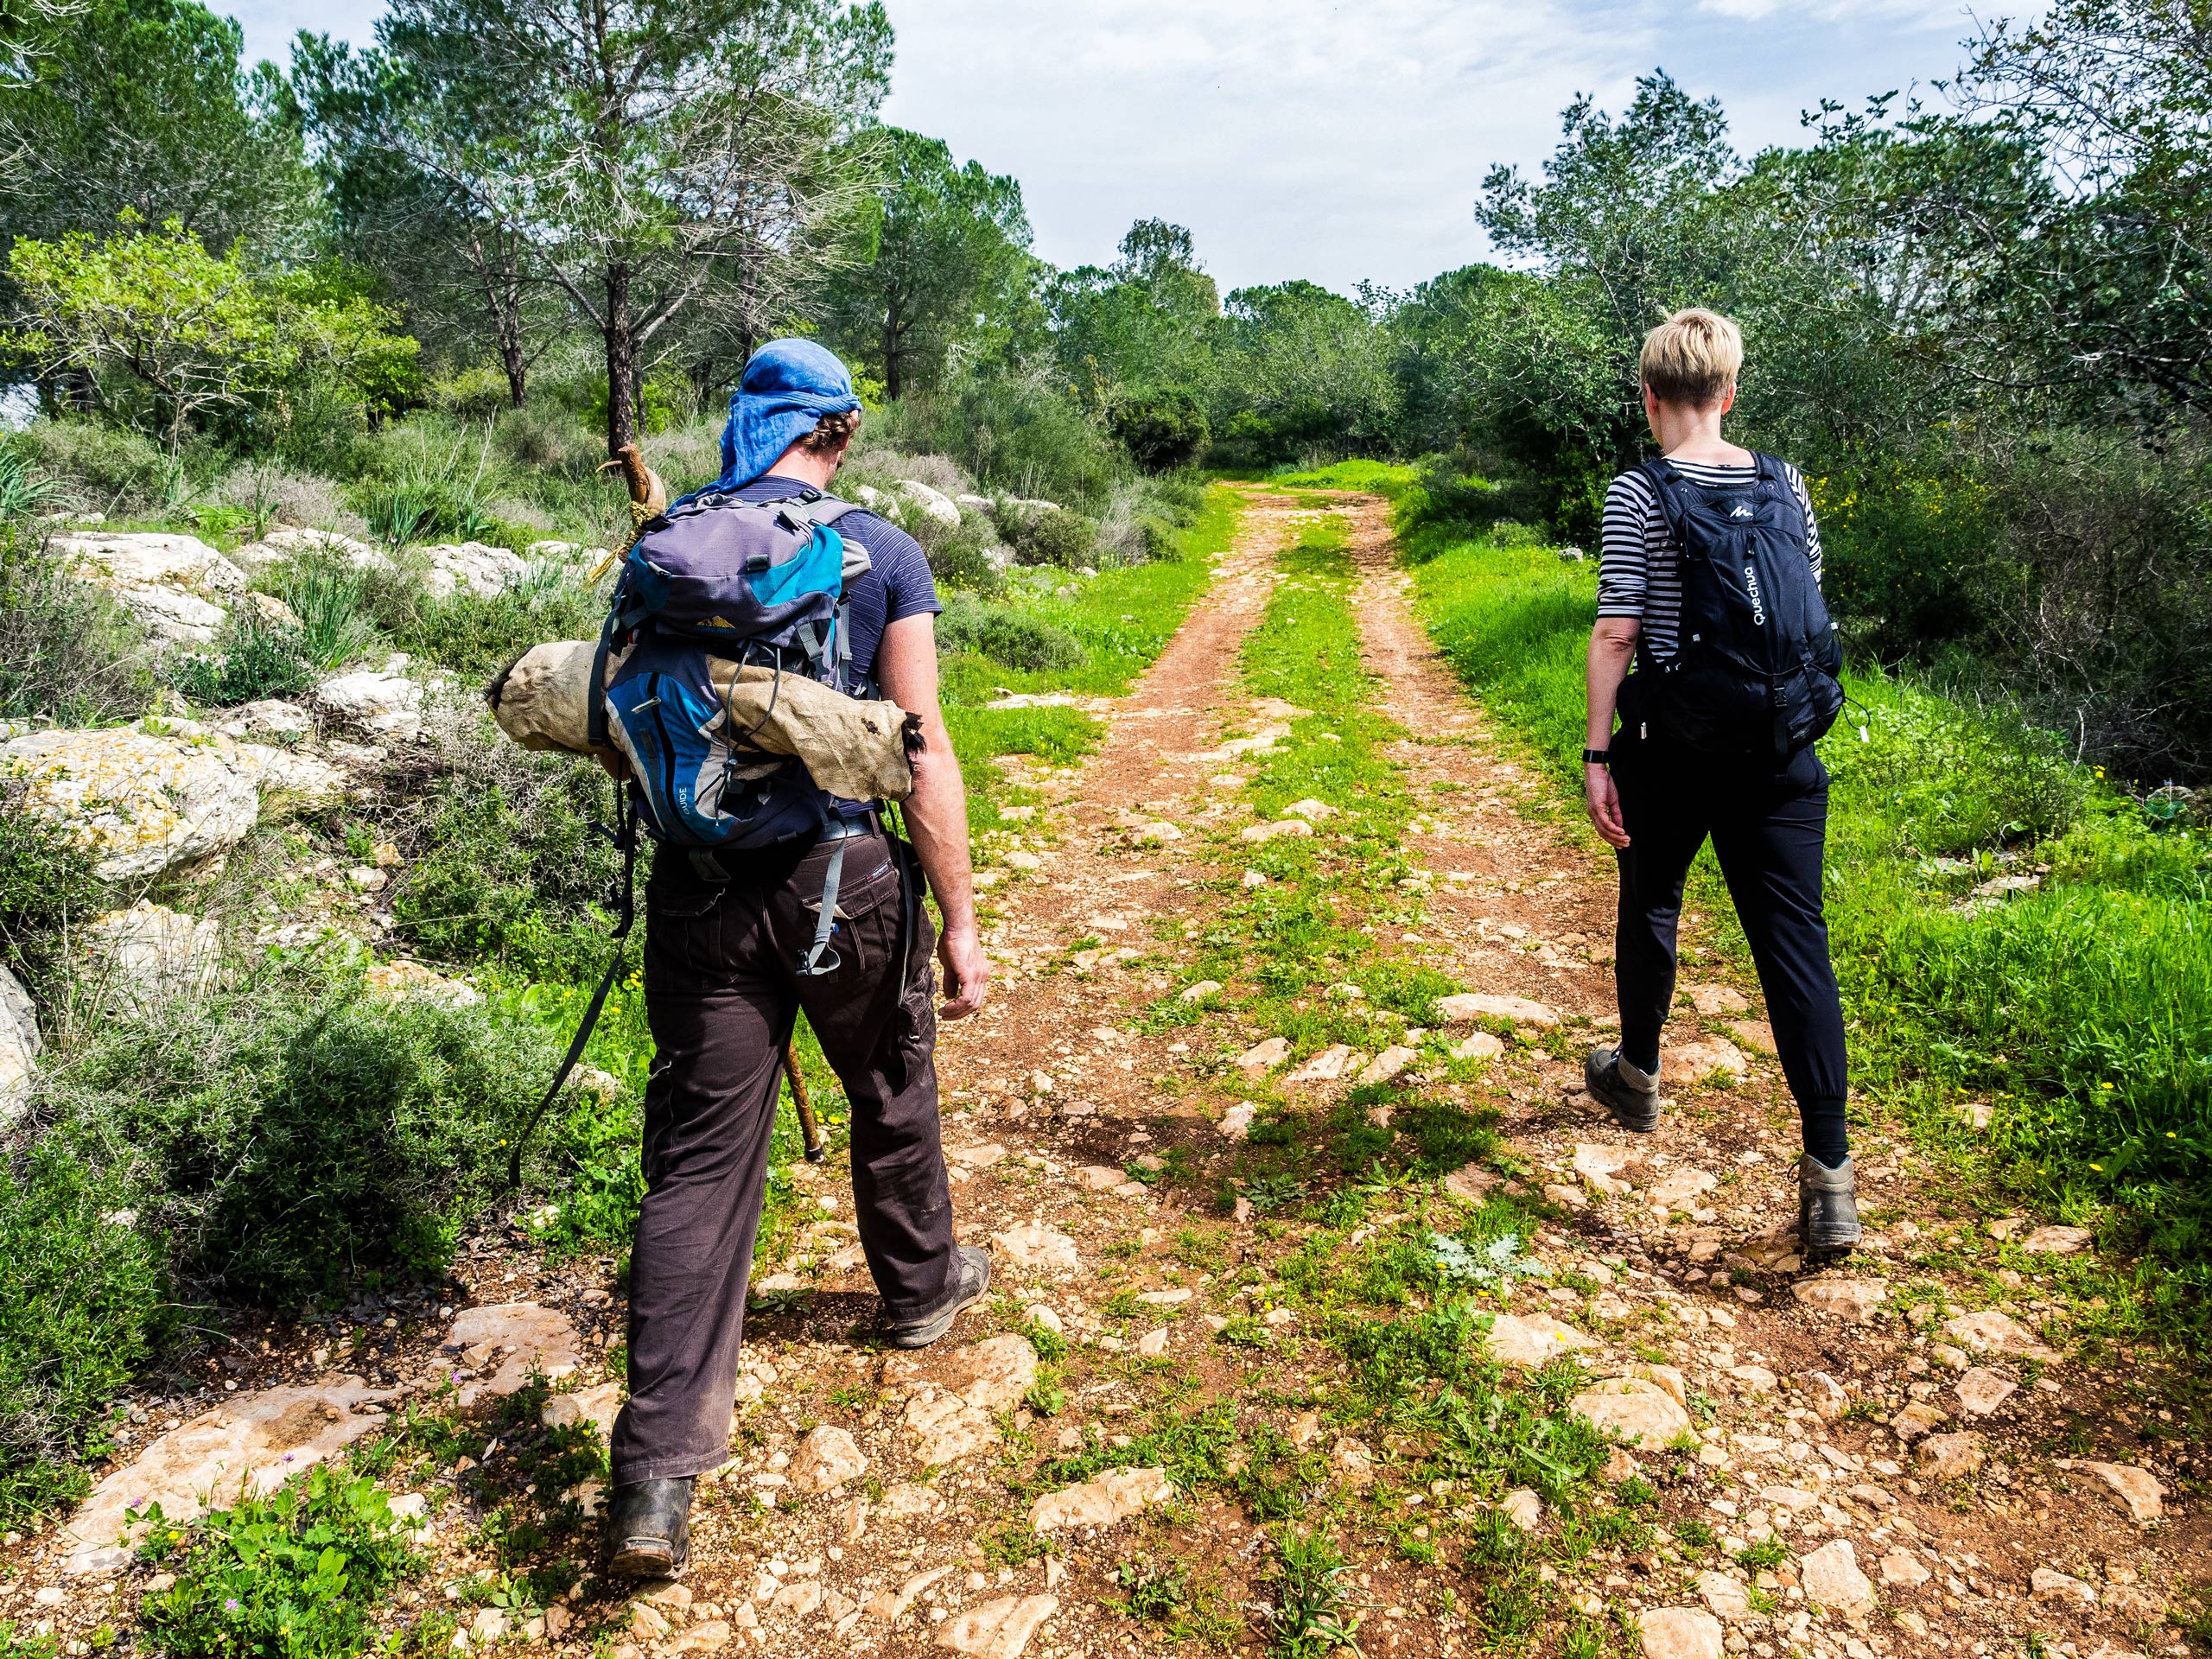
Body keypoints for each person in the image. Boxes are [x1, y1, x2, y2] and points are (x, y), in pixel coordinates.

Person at [600, 339, 992, 1580]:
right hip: (841, 884)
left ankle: (656, 1480)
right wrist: (963, 918)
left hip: (700, 895)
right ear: (836, 433)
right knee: (890, 1084)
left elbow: (619, 729)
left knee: (700, 1168)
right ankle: (921, 1292)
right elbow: (919, 751)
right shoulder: (881, 551)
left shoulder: (663, 549)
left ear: (743, 426)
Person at [1579, 308, 1859, 1258]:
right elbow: (1806, 603)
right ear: (1729, 393)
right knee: (1794, 948)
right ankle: (1829, 1177)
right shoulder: (1783, 482)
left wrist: (1596, 754)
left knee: (1652, 896)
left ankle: (1639, 1077)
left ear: (1650, 397)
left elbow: (1619, 628)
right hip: (1781, 754)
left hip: (1672, 746)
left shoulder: (1637, 492)